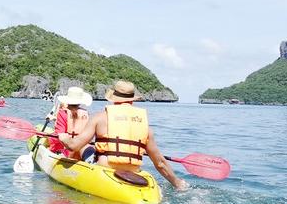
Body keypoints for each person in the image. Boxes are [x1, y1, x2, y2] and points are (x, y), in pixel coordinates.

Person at [57, 80, 188, 190]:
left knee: (84, 148)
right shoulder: (145, 127)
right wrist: (176, 182)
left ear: (114, 99)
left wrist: (63, 138)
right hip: (133, 173)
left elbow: (74, 146)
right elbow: (160, 163)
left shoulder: (100, 118)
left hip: (104, 171)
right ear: (132, 100)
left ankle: (74, 173)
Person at [48, 86, 95, 161]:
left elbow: (58, 134)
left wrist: (49, 139)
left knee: (52, 142)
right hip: (82, 148)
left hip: (67, 150)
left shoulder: (63, 113)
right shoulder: (86, 113)